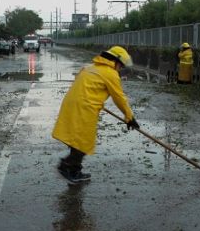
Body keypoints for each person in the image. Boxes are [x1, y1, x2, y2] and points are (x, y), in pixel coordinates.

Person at [52, 46, 140, 185]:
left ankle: (75, 171)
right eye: (120, 66)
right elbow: (119, 98)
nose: (120, 69)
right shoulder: (110, 73)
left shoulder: (90, 67)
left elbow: (87, 86)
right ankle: (66, 166)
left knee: (78, 139)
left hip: (72, 103)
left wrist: (97, 100)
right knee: (83, 142)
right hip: (84, 108)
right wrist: (130, 118)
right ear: (115, 62)